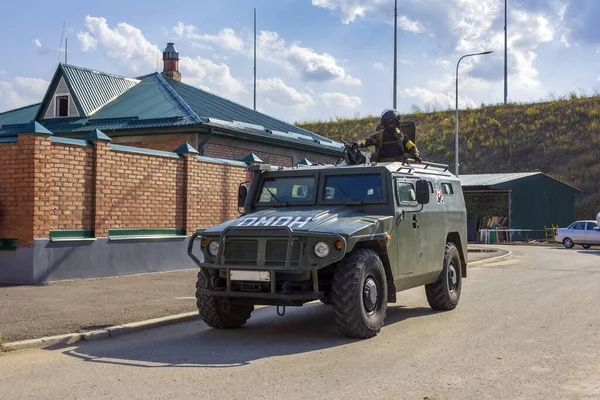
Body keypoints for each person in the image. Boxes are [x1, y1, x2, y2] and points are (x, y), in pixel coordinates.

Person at [353, 109, 421, 163]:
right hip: (382, 167)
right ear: (384, 123)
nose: (390, 124)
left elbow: (412, 147)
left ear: (396, 123)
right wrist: (358, 144)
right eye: (388, 122)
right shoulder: (379, 136)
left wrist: (416, 156)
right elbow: (367, 141)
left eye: (392, 122)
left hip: (398, 167)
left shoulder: (402, 136)